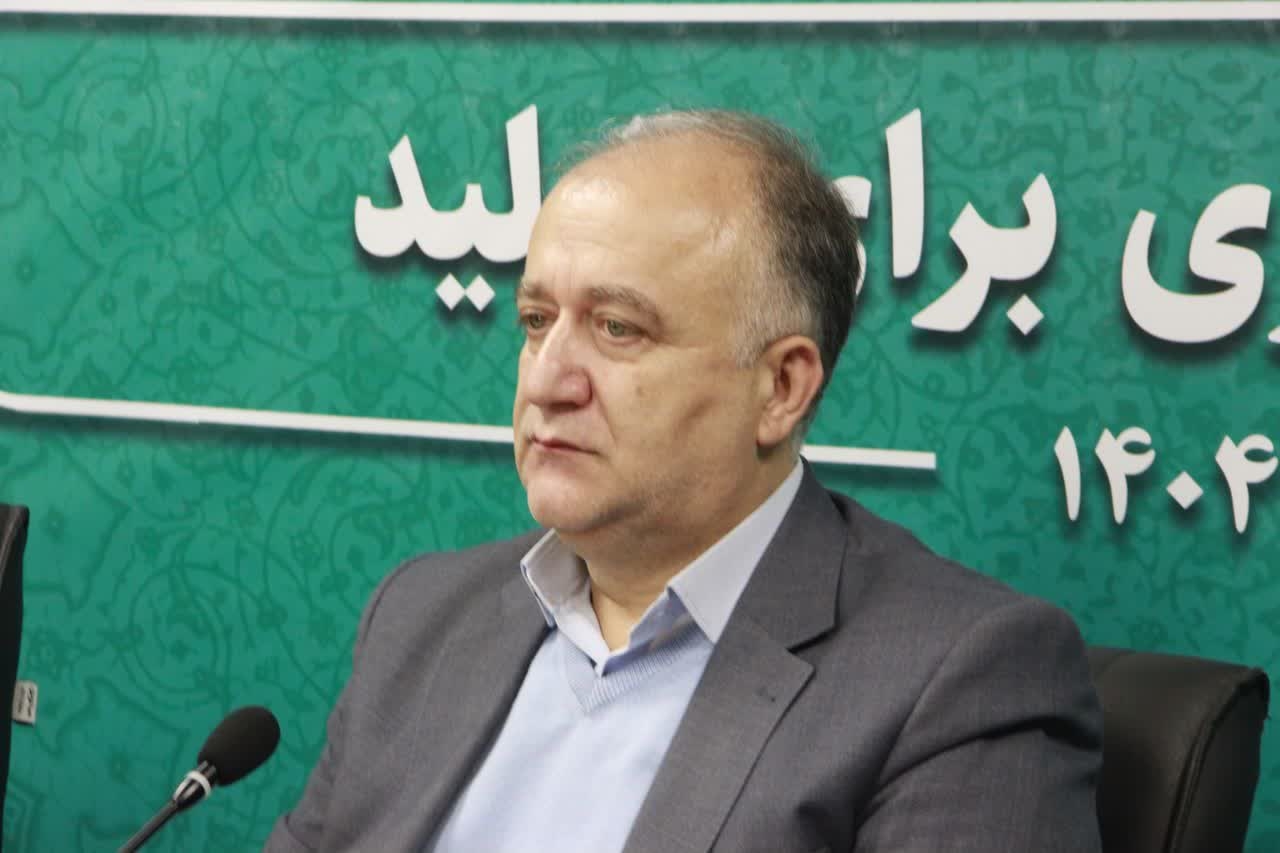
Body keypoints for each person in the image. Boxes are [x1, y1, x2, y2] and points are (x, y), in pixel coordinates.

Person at [266, 111, 1102, 852]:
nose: (547, 380)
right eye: (536, 321)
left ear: (780, 388)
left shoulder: (957, 679)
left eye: (617, 328)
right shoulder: (421, 617)